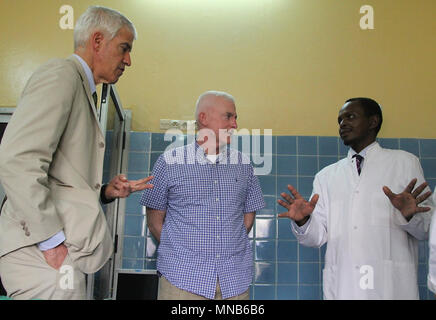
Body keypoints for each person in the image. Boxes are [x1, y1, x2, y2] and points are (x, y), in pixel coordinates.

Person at [0, 6, 153, 300]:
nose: (128, 60)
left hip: (50, 256)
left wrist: (105, 192)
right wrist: (52, 243)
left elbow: (61, 181)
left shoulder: (82, 88)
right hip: (42, 256)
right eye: (124, 48)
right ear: (97, 41)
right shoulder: (61, 75)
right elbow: (18, 159)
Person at [278, 97, 434, 299]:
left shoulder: (405, 162)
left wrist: (409, 216)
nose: (343, 124)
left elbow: (427, 229)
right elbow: (316, 237)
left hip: (391, 288)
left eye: (350, 117)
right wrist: (303, 220)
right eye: (340, 120)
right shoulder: (326, 176)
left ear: (373, 122)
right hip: (345, 286)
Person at [140, 91, 265, 300]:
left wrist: (224, 247)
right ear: (203, 118)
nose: (234, 125)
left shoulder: (244, 165)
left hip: (234, 283)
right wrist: (186, 252)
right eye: (228, 116)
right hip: (182, 283)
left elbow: (247, 218)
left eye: (236, 118)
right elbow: (154, 222)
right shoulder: (169, 162)